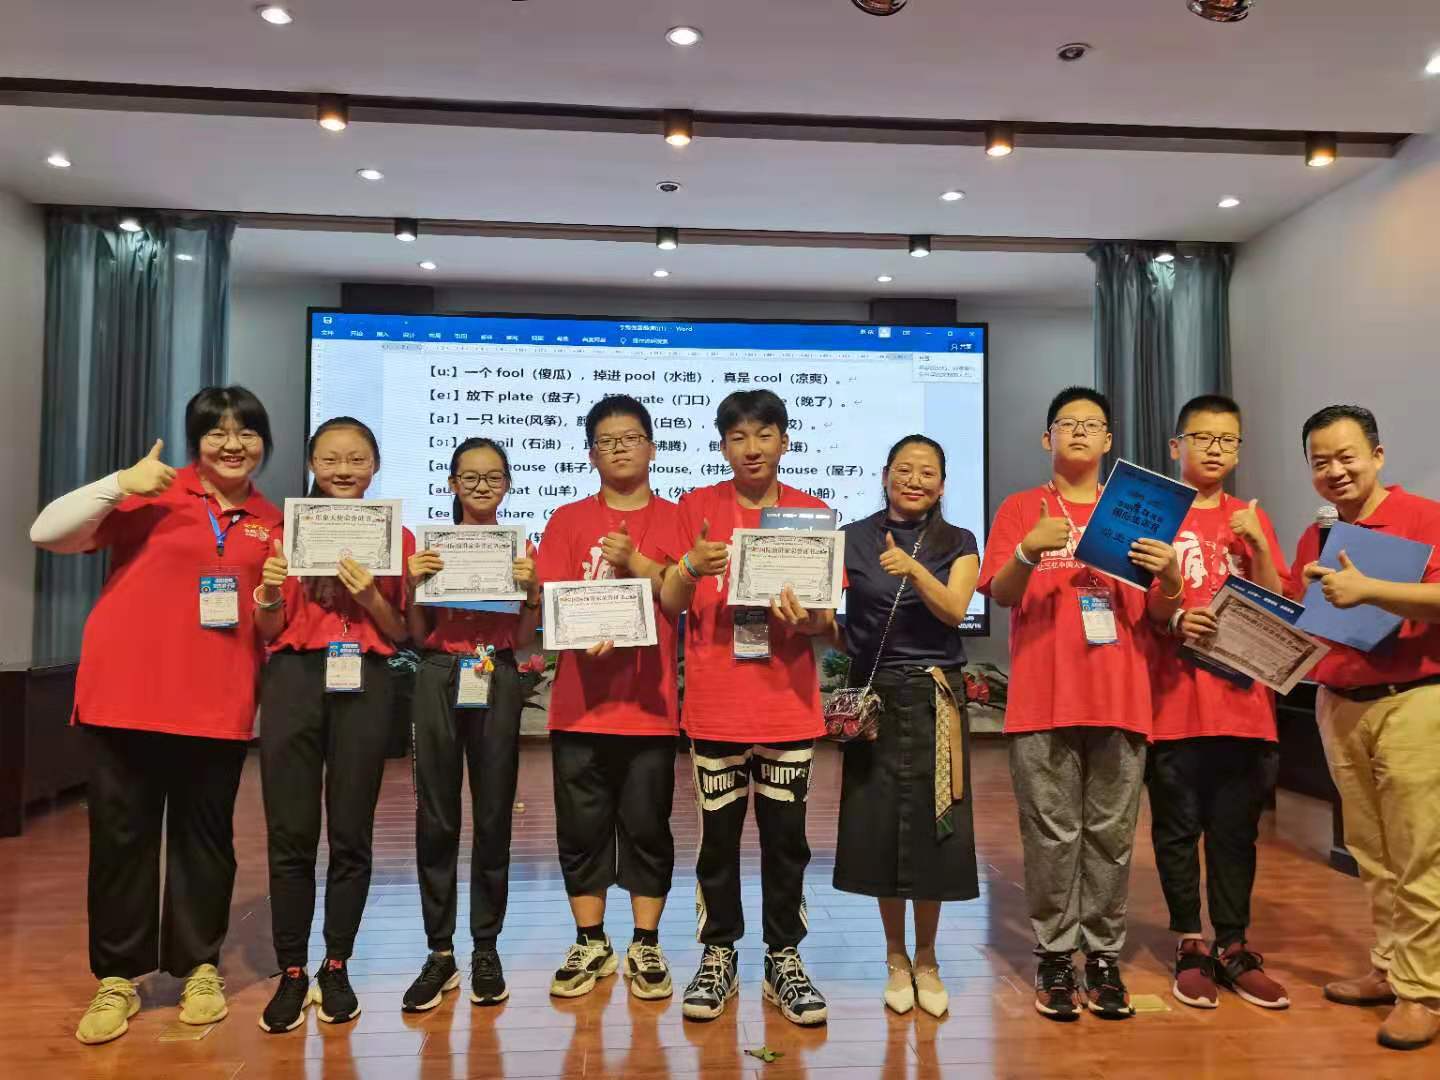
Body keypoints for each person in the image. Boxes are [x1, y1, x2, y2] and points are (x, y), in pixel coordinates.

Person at [29, 387, 281, 1046]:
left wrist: (270, 597)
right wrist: (119, 482)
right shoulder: (153, 492)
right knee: (122, 840)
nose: (233, 444)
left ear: (264, 441)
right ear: (196, 440)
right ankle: (117, 978)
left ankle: (199, 968)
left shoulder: (274, 522)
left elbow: (273, 624)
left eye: (247, 431)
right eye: (217, 431)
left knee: (206, 842)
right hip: (125, 697)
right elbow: (46, 533)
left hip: (217, 703)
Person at [978, 386, 1183, 1022]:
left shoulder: (1136, 511)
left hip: (1122, 699)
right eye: (1067, 423)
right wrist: (1028, 549)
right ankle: (1055, 955)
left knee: (1112, 837)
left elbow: (1160, 615)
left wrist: (1171, 578)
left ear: (1109, 440)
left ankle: (1104, 956)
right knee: (1050, 834)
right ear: (1048, 437)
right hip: (1043, 700)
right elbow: (1001, 593)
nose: (1080, 433)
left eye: (1093, 425)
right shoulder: (1022, 508)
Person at [661, 389, 834, 1027]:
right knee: (718, 842)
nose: (752, 448)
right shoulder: (697, 508)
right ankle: (719, 954)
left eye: (764, 434)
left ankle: (784, 958)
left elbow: (825, 620)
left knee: (787, 843)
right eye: (738, 437)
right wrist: (689, 565)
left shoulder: (810, 514)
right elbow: (671, 601)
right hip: (716, 706)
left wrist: (807, 618)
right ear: (723, 445)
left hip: (787, 706)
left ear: (785, 440)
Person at [254, 416, 416, 1033]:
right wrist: (271, 592)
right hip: (294, 679)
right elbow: (269, 629)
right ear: (311, 465)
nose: (343, 470)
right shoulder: (282, 533)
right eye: (330, 459)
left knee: (351, 831)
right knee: (290, 832)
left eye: (356, 459)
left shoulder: (396, 537)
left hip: (365, 681)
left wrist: (371, 595)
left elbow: (402, 631)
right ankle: (292, 968)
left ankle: (337, 963)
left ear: (375, 466)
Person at [1290, 405, 1440, 1052]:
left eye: (1346, 456)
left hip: (1413, 701)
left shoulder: (1425, 518)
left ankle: (1422, 992)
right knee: (1372, 853)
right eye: (1320, 461)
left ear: (1377, 455)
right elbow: (1303, 618)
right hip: (1338, 701)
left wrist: (1371, 590)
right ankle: (1389, 966)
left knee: (1419, 851)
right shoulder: (1316, 535)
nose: (1335, 471)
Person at [535, 396, 685, 1001]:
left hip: (649, 707)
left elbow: (677, 599)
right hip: (579, 703)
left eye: (630, 438)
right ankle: (590, 939)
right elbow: (553, 601)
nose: (619, 448)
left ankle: (645, 943)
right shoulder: (567, 519)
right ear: (591, 454)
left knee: (648, 827)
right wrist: (579, 634)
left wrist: (637, 562)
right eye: (606, 440)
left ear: (652, 447)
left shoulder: (677, 519)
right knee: (581, 828)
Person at [1148, 394, 1291, 1011]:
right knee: (1177, 832)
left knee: (1235, 834)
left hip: (1245, 706)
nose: (1215, 448)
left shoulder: (1250, 518)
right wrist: (1178, 616)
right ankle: (1190, 944)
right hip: (1174, 704)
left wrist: (1259, 548)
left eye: (1227, 440)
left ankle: (1233, 945)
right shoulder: (1155, 514)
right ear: (1175, 446)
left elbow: (1282, 608)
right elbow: (1139, 607)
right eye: (1202, 437)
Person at [832, 435, 981, 1018]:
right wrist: (812, 622)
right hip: (874, 701)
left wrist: (914, 569)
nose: (914, 480)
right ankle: (895, 957)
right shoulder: (852, 537)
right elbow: (841, 626)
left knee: (934, 826)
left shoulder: (958, 541)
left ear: (942, 484)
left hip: (935, 696)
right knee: (879, 828)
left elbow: (954, 610)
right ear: (884, 474)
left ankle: (929, 958)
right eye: (904, 469)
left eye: (927, 472)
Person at [401, 438, 540, 1012]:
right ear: (452, 483)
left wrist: (531, 592)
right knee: (436, 814)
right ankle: (440, 951)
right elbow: (414, 634)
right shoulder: (430, 548)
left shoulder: (521, 549)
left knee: (492, 812)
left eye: (494, 477)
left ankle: (486, 945)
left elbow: (525, 639)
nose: (483, 487)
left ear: (506, 484)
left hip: (496, 671)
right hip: (438, 671)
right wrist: (413, 586)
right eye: (471, 477)